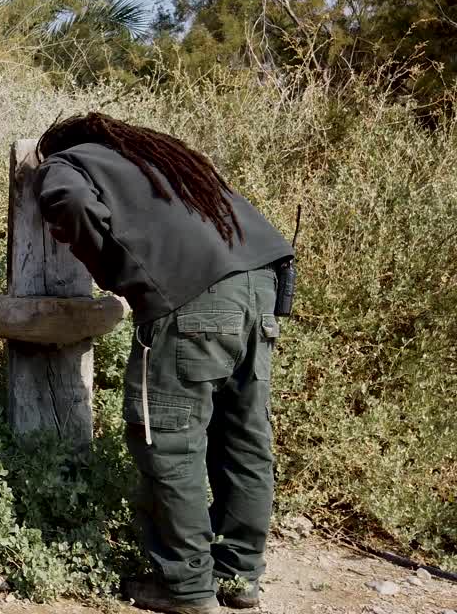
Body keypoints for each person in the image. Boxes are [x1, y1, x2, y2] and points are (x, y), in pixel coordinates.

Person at [31, 113, 295, 614]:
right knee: (244, 439)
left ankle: (187, 588)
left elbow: (70, 200)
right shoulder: (163, 164)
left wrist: (116, 270)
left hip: (192, 303)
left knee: (169, 442)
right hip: (261, 291)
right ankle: (239, 577)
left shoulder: (67, 162)